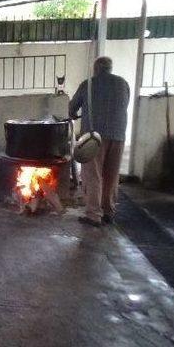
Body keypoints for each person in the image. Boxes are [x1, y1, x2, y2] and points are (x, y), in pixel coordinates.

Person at [69, 57, 130, 227]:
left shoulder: (88, 84)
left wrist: (74, 114)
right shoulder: (123, 84)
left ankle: (93, 215)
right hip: (118, 135)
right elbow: (124, 104)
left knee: (93, 175)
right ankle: (109, 212)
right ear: (110, 68)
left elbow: (72, 108)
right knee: (111, 175)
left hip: (94, 138)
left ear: (96, 69)